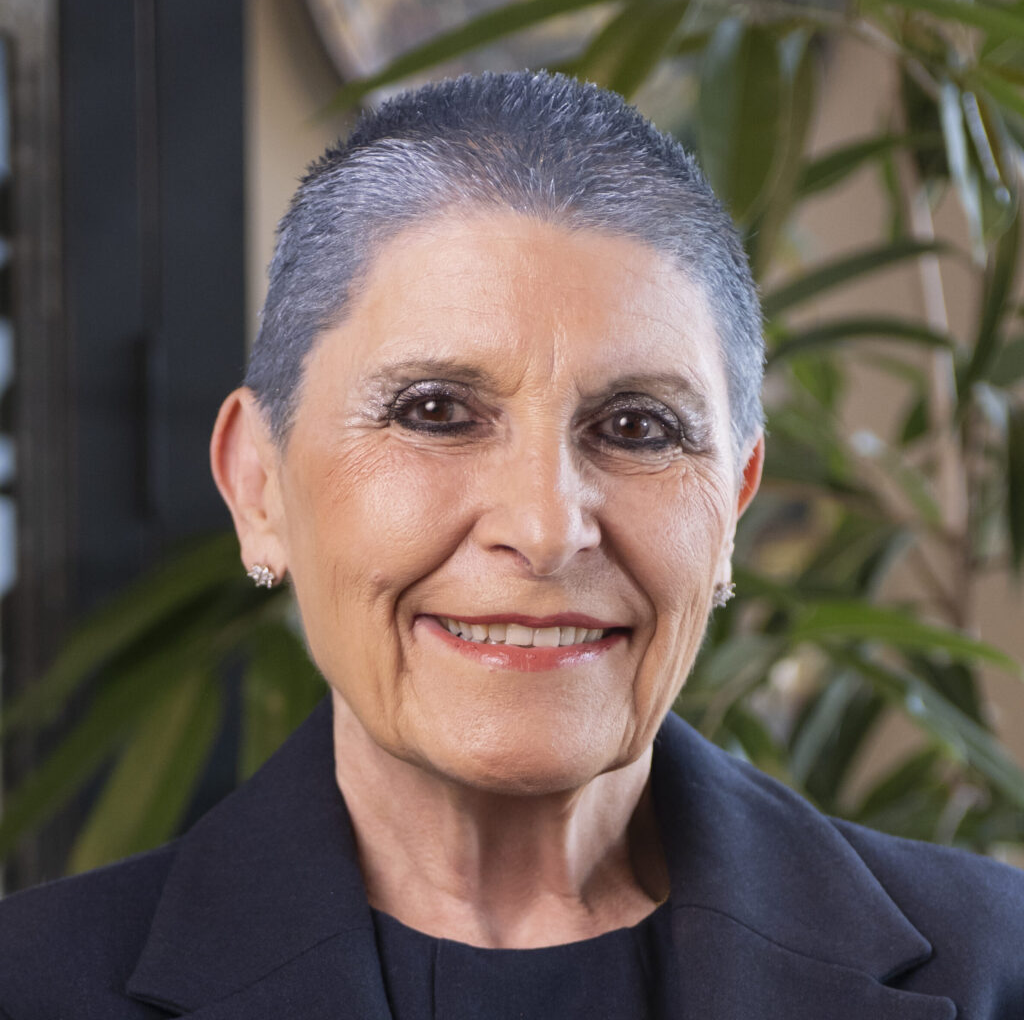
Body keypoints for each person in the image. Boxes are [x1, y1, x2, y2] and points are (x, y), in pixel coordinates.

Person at [1, 70, 1022, 1020]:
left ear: (733, 507)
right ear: (258, 485)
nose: (545, 529)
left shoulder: (997, 967)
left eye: (638, 428)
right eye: (435, 411)